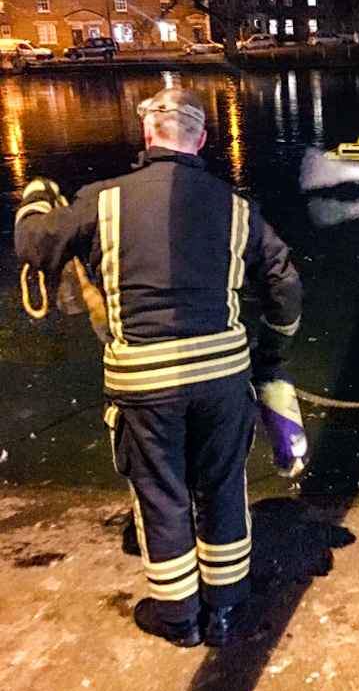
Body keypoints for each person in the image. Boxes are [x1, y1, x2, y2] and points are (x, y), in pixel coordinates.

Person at [14, 87, 302, 648]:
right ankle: (223, 612)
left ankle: (179, 619)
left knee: (162, 493)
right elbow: (285, 286)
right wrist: (272, 352)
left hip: (145, 387)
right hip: (222, 381)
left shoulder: (103, 201)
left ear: (147, 134)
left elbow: (34, 245)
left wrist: (33, 197)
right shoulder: (237, 209)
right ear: (200, 140)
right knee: (222, 487)